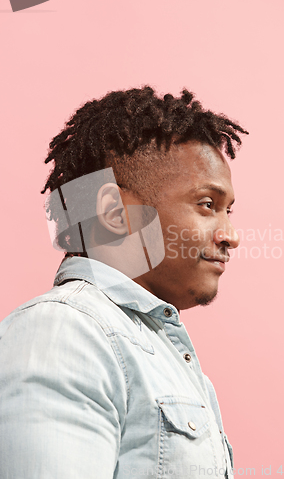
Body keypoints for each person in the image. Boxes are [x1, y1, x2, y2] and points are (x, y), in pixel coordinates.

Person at [0, 87, 248, 478]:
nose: (231, 234)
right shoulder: (63, 331)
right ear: (114, 212)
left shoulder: (164, 354)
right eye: (207, 205)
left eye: (228, 211)